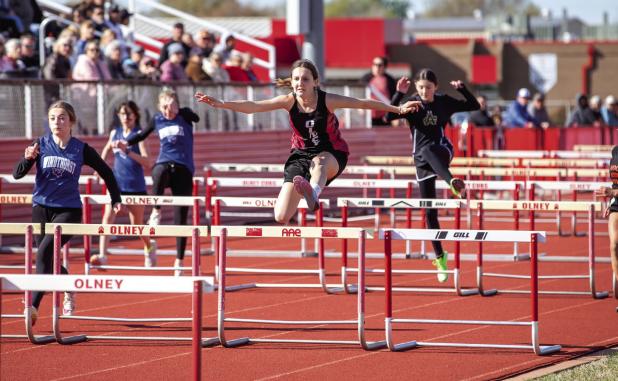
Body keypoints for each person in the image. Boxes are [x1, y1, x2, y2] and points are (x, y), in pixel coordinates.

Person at [194, 58, 418, 223]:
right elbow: (253, 107)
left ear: (315, 82)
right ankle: (307, 189)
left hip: (331, 153)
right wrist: (222, 104)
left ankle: (313, 194)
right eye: (296, 79)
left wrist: (397, 108)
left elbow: (362, 103)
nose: (300, 83)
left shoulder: (327, 100)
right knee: (281, 216)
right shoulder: (288, 100)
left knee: (319, 163)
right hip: (300, 156)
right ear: (291, 82)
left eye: (305, 79)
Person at [12, 100, 122, 324]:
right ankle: (68, 286)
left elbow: (106, 171)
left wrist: (115, 198)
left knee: (43, 254)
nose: (57, 122)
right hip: (41, 208)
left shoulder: (81, 149)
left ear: (71, 122)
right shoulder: (41, 144)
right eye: (52, 118)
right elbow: (17, 174)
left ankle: (32, 306)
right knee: (48, 259)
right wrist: (27, 159)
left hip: (69, 211)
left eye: (62, 118)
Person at [385, 68, 480, 283]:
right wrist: (399, 95)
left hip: (442, 150)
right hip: (421, 162)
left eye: (428, 88)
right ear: (416, 88)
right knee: (429, 213)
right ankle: (440, 257)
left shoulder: (443, 101)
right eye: (420, 88)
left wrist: (463, 89)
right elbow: (388, 116)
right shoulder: (411, 103)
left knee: (428, 150)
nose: (424, 92)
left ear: (435, 87)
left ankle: (452, 183)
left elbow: (473, 106)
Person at [115, 88, 199, 276]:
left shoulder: (183, 116)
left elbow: (197, 118)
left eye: (170, 106)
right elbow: (141, 135)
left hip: (184, 168)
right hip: (165, 162)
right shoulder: (157, 119)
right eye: (163, 107)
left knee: (181, 219)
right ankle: (156, 210)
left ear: (176, 104)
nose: (166, 110)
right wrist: (126, 143)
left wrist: (180, 110)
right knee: (158, 170)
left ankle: (179, 260)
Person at [89, 101, 157, 268]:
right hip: (116, 185)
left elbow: (148, 162)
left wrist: (127, 151)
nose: (126, 117)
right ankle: (103, 255)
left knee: (137, 226)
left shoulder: (139, 135)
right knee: (107, 218)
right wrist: (100, 168)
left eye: (129, 114)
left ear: (135, 115)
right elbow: (105, 150)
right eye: (122, 114)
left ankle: (149, 246)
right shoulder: (115, 133)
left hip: (135, 186)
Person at [595, 145, 618, 305]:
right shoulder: (615, 151)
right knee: (614, 244)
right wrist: (611, 198)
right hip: (617, 204)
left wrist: (612, 193)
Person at [360, 56, 397, 127]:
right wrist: (360, 108)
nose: (376, 67)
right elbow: (360, 94)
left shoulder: (390, 80)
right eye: (374, 64)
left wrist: (394, 116)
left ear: (384, 67)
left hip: (385, 116)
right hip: (369, 116)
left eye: (379, 65)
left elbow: (394, 98)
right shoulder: (366, 79)